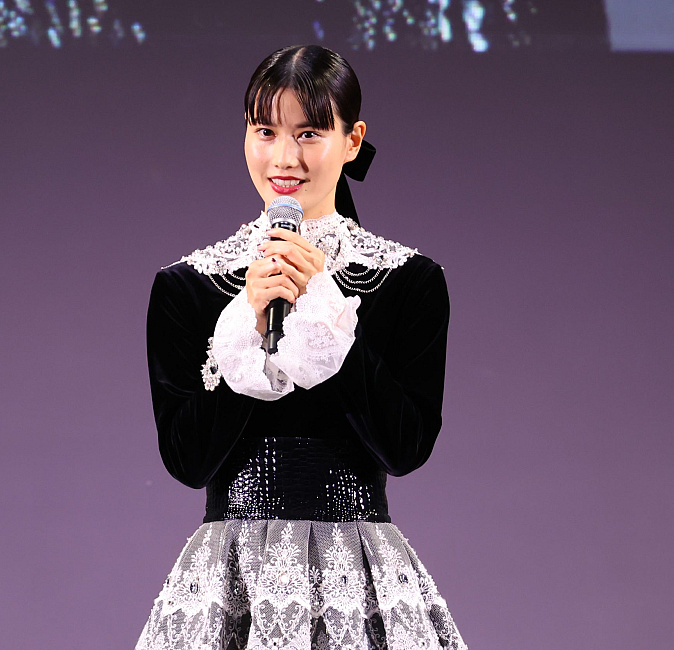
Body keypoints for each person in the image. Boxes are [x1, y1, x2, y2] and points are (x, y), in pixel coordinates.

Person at [135, 44, 467, 650]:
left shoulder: (407, 281)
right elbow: (187, 460)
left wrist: (325, 316)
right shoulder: (188, 286)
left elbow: (404, 447)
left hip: (356, 579)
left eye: (309, 133)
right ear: (245, 136)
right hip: (231, 581)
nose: (284, 158)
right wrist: (250, 326)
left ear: (352, 139)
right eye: (265, 131)